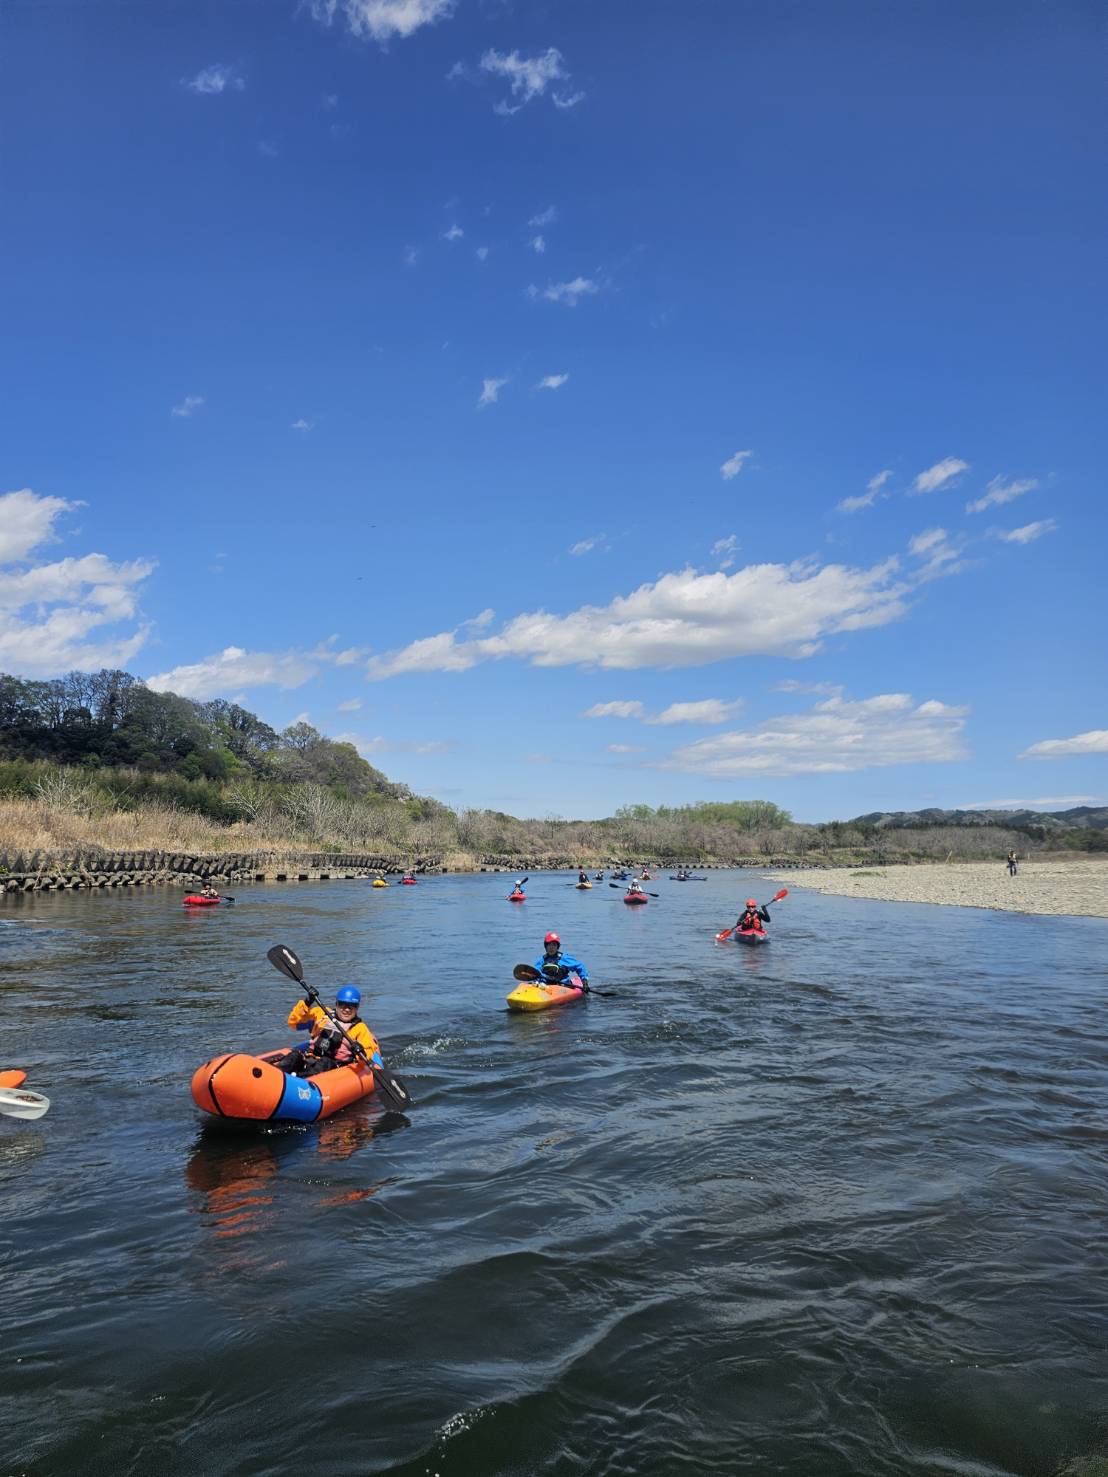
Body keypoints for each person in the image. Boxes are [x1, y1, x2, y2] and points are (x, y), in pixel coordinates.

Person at [273, 985, 382, 1078]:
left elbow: (368, 1053)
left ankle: (299, 1081)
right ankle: (275, 1077)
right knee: (294, 1056)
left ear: (357, 1008)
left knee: (325, 1062)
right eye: (342, 1004)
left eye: (351, 1006)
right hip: (311, 1057)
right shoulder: (322, 1014)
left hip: (334, 1066)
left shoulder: (360, 1028)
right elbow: (293, 1022)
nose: (346, 1009)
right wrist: (307, 1002)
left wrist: (360, 1051)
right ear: (336, 1004)